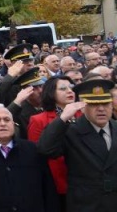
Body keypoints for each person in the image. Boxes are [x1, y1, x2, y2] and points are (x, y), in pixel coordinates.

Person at [0, 104, 59, 211]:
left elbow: (48, 189)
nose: (2, 124)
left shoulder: (32, 149)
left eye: (7, 120)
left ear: (13, 124)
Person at [38, 79, 117, 210]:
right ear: (83, 107)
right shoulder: (71, 131)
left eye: (105, 103)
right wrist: (62, 119)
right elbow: (45, 149)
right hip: (86, 204)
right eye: (94, 104)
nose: (101, 109)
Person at [28, 76, 80, 208]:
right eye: (63, 89)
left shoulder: (83, 115)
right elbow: (36, 155)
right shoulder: (38, 120)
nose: (70, 91)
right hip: (57, 183)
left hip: (84, 182)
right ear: (51, 93)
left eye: (72, 88)